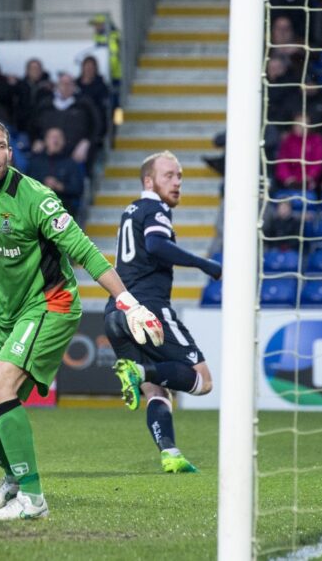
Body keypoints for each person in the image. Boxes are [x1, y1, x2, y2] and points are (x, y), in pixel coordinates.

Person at [0, 118, 164, 520]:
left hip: (51, 304)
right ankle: (13, 475)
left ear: (10, 152)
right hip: (8, 313)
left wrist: (129, 302)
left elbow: (85, 251)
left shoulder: (36, 198)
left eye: (2, 146)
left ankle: (32, 498)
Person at [103, 151, 220, 474]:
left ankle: (170, 453)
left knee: (158, 389)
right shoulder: (156, 208)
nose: (177, 182)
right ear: (148, 181)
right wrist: (204, 263)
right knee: (203, 381)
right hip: (148, 308)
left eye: (180, 175)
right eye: (169, 175)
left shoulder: (132, 211)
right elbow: (155, 245)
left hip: (116, 310)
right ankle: (137, 372)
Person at [28, 127, 84, 218]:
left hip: (64, 210)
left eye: (58, 137)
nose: (55, 140)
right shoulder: (35, 162)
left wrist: (60, 186)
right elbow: (26, 186)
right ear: (45, 141)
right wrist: (43, 185)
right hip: (38, 209)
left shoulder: (71, 163)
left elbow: (78, 188)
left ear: (64, 141)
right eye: (52, 137)